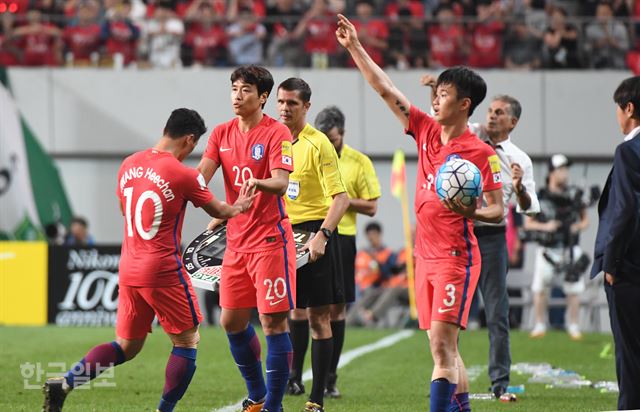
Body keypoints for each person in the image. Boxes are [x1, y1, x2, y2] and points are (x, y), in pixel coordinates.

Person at [336, 15, 504, 412]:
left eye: (444, 93)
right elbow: (385, 88)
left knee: (441, 347)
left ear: (464, 104)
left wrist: (472, 211)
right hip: (424, 258)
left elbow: (497, 209)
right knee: (444, 348)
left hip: (454, 259)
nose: (435, 98)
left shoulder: (482, 154)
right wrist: (355, 47)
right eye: (436, 91)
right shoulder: (425, 129)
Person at [42, 108, 257, 412]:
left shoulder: (129, 163)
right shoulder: (183, 173)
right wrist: (242, 205)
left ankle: (64, 383)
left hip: (129, 267)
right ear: (189, 139)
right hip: (163, 269)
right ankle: (163, 410)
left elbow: (123, 209)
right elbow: (219, 211)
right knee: (186, 342)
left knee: (126, 346)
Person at [197, 65, 297, 412]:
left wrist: (258, 183)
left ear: (263, 97)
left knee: (273, 321)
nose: (237, 97)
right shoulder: (221, 133)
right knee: (231, 321)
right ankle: (257, 395)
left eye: (246, 91)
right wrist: (215, 207)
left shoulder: (276, 132)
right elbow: (200, 179)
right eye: (234, 89)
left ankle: (274, 406)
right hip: (236, 242)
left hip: (270, 240)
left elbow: (282, 182)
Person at [277, 77, 349, 412]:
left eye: (292, 103)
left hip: (315, 233)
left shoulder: (318, 144)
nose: (284, 108)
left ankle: (316, 397)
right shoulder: (273, 139)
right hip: (282, 235)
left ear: (307, 106)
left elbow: (341, 198)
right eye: (281, 102)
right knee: (289, 311)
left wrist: (323, 234)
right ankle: (291, 378)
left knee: (319, 317)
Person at [467, 94, 540, 397]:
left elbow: (529, 207)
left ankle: (500, 382)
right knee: (450, 313)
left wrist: (520, 189)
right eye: (490, 111)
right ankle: (445, 378)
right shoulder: (469, 135)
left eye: (500, 112)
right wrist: (436, 93)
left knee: (497, 312)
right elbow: (441, 120)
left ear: (513, 122)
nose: (492, 116)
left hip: (493, 239)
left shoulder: (520, 159)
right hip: (461, 232)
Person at [314, 105, 381, 398]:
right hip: (310, 234)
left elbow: (371, 206)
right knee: (303, 310)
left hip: (343, 237)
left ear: (343, 133)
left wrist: (342, 200)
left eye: (334, 138)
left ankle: (330, 377)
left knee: (336, 309)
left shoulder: (359, 161)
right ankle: (293, 377)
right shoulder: (309, 152)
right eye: (324, 138)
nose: (329, 144)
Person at [591, 75, 640, 410]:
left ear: (629, 108)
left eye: (618, 110)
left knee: (630, 352)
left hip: (629, 267)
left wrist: (610, 263)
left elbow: (623, 210)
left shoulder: (628, 151)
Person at [524, 154, 589, 340]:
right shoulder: (540, 196)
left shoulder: (574, 195)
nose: (565, 173)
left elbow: (585, 221)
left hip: (569, 247)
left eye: (566, 169)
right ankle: (539, 324)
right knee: (540, 287)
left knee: (574, 286)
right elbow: (528, 224)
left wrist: (575, 227)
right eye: (561, 170)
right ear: (552, 172)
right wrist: (546, 226)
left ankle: (574, 326)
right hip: (547, 248)